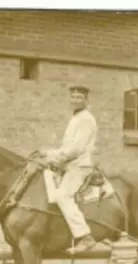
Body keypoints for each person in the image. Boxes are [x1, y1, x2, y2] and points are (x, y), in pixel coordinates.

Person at [43, 85, 98, 253]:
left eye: (79, 97)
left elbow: (76, 149)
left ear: (86, 101)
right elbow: (67, 147)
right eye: (73, 97)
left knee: (63, 197)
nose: (75, 100)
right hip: (69, 164)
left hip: (79, 166)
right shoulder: (75, 118)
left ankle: (85, 236)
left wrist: (51, 154)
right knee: (45, 174)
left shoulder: (86, 119)